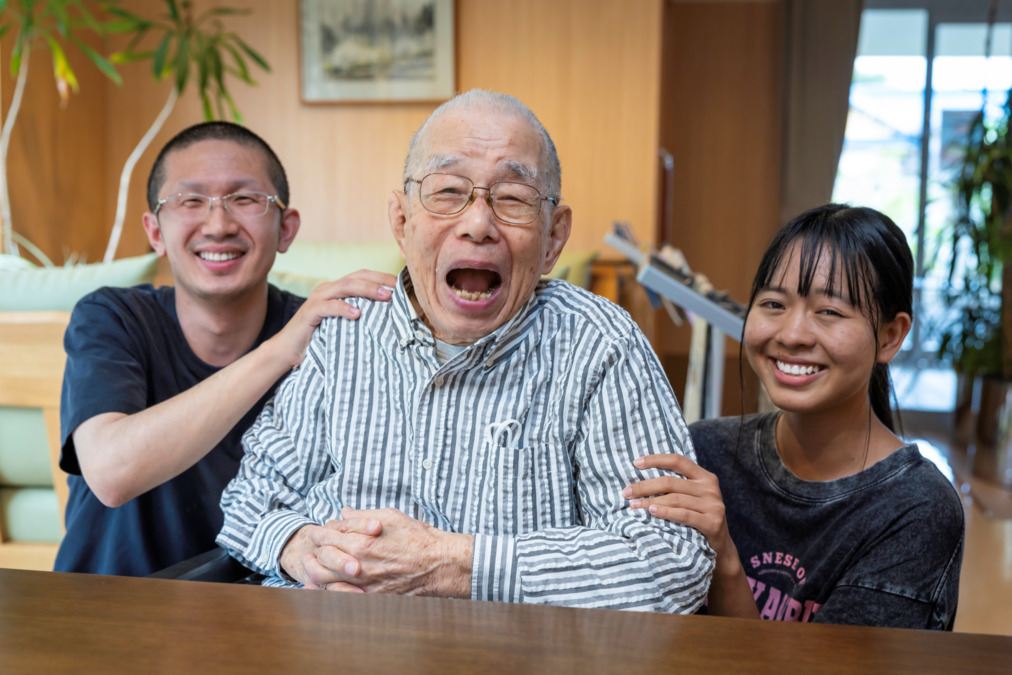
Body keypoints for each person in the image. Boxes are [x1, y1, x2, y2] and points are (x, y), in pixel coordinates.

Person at [217, 90, 714, 612]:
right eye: (449, 192)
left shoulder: (600, 345)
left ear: (554, 239)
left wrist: (453, 564)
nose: (478, 224)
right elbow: (249, 501)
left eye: (513, 198)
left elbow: (671, 564)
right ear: (403, 222)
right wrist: (304, 550)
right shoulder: (345, 329)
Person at [55, 121, 396, 576]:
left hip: (260, 617)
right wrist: (280, 350)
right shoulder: (111, 317)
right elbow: (112, 473)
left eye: (245, 199)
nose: (218, 224)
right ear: (155, 231)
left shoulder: (332, 334)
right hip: (108, 613)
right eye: (190, 201)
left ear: (286, 229)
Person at [624, 204, 964, 629]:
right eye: (773, 303)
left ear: (890, 336)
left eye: (830, 312)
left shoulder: (914, 509)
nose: (791, 335)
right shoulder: (702, 451)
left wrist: (726, 564)